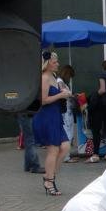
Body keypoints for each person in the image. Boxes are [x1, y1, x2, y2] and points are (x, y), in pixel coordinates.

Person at [33, 51, 71, 196]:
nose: (58, 64)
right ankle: (49, 180)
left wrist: (64, 92)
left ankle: (49, 175)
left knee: (65, 147)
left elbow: (57, 94)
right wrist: (61, 95)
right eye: (55, 62)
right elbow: (43, 100)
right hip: (46, 117)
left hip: (55, 116)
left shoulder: (54, 76)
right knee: (53, 150)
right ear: (47, 63)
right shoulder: (44, 78)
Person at [87, 60, 106, 163]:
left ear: (104, 67)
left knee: (96, 129)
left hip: (101, 105)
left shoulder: (103, 75)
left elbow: (102, 90)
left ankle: (96, 154)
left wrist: (94, 95)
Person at [56, 64, 79, 163]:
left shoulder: (60, 81)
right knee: (68, 133)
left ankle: (65, 155)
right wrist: (72, 95)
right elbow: (63, 92)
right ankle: (66, 157)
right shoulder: (60, 82)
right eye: (70, 76)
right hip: (65, 111)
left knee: (67, 132)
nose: (70, 79)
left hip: (66, 110)